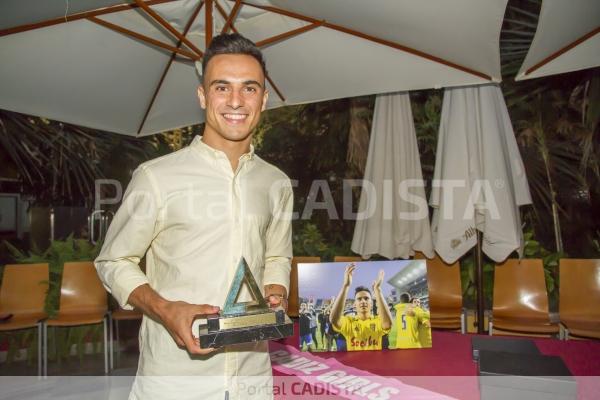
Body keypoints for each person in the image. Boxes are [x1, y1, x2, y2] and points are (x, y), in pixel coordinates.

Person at [94, 33, 293, 400]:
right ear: (203, 96)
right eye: (222, 87)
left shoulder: (276, 182)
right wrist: (165, 309)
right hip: (174, 380)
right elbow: (113, 260)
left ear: (263, 99)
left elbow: (278, 255)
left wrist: (276, 289)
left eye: (249, 89)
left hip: (253, 379)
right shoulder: (156, 177)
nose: (236, 101)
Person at [329, 264, 392, 351]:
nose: (363, 301)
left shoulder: (378, 321)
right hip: (354, 364)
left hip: (375, 364)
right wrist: (346, 286)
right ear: (354, 304)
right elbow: (333, 319)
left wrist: (377, 290)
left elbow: (388, 324)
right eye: (359, 299)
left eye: (366, 298)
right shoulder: (349, 322)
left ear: (371, 303)